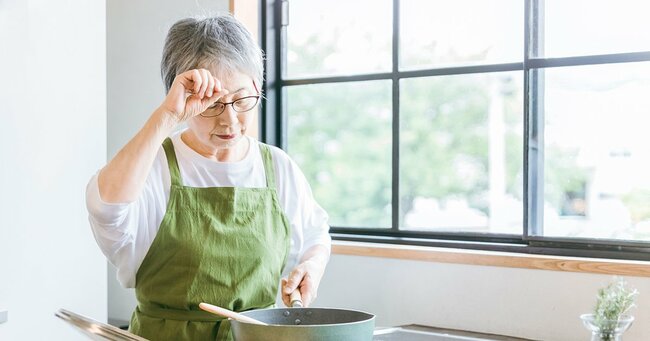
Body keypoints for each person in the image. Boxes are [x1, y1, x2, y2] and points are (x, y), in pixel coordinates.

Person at [86, 14, 331, 340]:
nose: (230, 120)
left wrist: (311, 267)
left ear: (257, 87)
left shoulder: (278, 169)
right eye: (212, 104)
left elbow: (316, 237)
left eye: (243, 100)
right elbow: (105, 208)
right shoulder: (153, 165)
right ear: (182, 97)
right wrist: (166, 117)